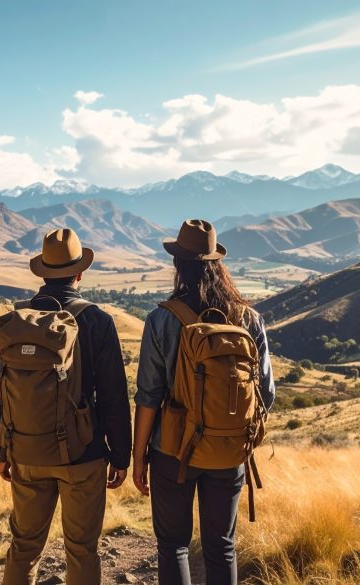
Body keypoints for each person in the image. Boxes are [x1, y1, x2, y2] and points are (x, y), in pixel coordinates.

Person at [131, 219, 275, 585]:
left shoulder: (162, 319)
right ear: (217, 264)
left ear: (179, 265)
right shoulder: (249, 319)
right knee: (222, 547)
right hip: (228, 451)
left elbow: (148, 396)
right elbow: (266, 394)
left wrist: (139, 457)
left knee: (174, 546)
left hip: (172, 450)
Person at [0, 228, 132, 585]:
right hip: (84, 456)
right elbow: (114, 394)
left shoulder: (14, 323)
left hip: (26, 450)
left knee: (24, 546)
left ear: (42, 272)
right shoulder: (97, 321)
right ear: (80, 273)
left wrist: (2, 448)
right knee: (82, 548)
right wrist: (121, 455)